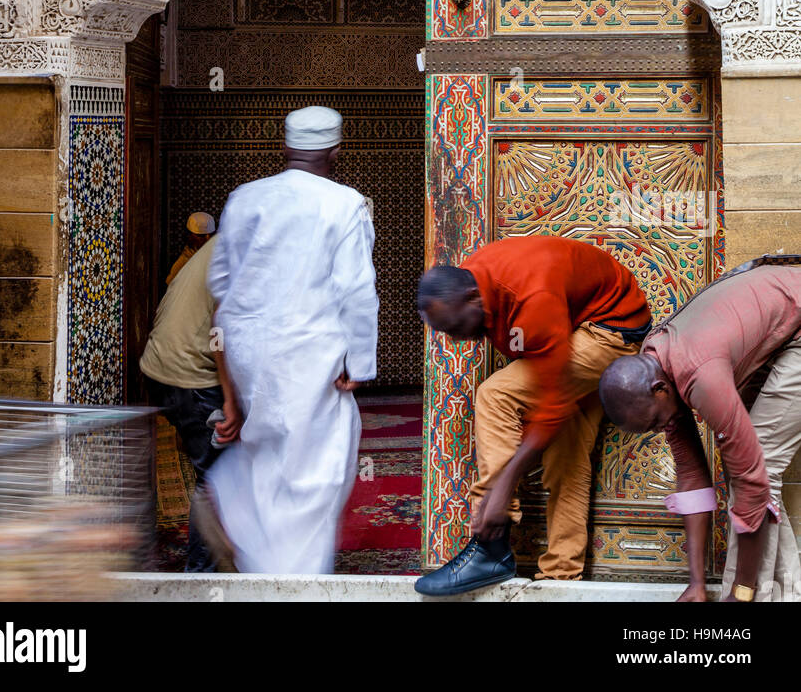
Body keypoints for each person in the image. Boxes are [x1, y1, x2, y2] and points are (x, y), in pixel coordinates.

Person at [415, 235, 651, 595]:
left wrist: (502, 488)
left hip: (609, 332)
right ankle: (561, 577)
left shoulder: (531, 296)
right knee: (566, 455)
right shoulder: (477, 279)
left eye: (456, 328)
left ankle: (490, 548)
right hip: (572, 328)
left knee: (495, 395)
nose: (456, 339)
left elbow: (551, 403)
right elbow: (550, 391)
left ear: (472, 299)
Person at [200, 105, 378, 574]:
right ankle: (283, 569)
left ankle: (237, 507)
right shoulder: (344, 203)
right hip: (309, 348)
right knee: (321, 463)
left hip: (246, 344)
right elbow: (356, 290)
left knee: (265, 445)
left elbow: (220, 282)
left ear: (285, 146)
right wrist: (359, 363)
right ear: (337, 150)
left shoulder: (244, 198)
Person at [599, 257, 801, 603]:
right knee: (750, 469)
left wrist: (742, 592)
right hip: (780, 328)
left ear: (659, 390)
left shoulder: (698, 375)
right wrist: (695, 584)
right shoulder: (656, 366)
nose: (661, 429)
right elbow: (692, 473)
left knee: (758, 465)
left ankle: (749, 597)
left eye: (654, 423)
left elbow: (753, 483)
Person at [140, 235, 242, 570]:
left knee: (219, 461)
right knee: (218, 475)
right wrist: (229, 399)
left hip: (160, 367)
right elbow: (220, 328)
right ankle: (200, 578)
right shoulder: (249, 248)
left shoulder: (226, 241)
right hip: (190, 377)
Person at [165, 210, 216, 285]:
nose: (207, 239)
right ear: (190, 236)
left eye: (211, 235)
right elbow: (170, 284)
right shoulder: (185, 260)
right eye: (201, 236)